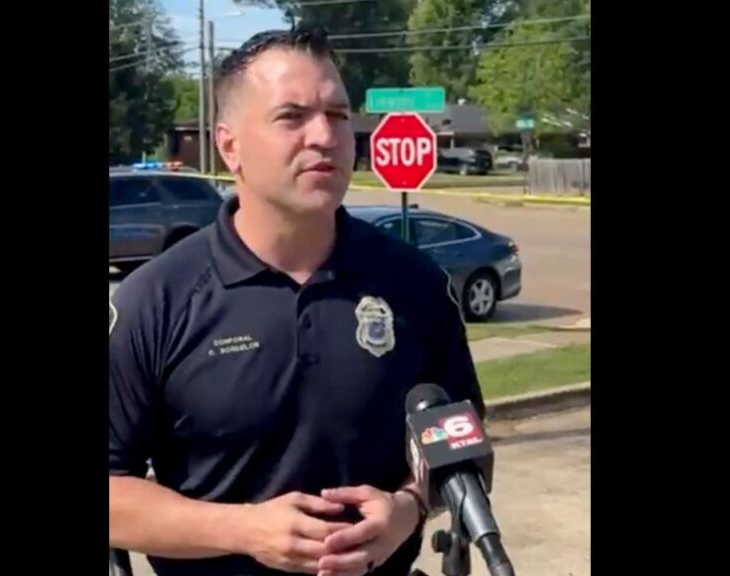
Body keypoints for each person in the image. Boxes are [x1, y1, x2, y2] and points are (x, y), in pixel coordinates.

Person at [108, 26, 485, 576]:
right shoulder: (157, 298)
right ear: (229, 144)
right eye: (292, 117)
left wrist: (408, 508)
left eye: (336, 115)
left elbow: (462, 444)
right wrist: (242, 529)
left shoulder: (415, 285)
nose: (325, 136)